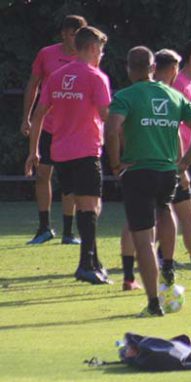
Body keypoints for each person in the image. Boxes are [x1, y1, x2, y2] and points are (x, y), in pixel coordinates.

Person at [106, 46, 191, 317]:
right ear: (153, 68)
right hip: (167, 172)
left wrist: (116, 163)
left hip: (138, 172)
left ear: (129, 69)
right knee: (165, 209)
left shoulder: (125, 96)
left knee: (143, 239)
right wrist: (185, 162)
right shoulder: (173, 95)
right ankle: (168, 264)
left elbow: (111, 129)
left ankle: (154, 302)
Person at [24, 26, 112, 284]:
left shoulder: (57, 76)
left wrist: (33, 151)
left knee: (88, 205)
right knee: (90, 207)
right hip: (86, 150)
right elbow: (107, 115)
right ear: (93, 48)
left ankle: (93, 260)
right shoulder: (96, 77)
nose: (102, 55)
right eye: (101, 50)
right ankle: (86, 265)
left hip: (61, 152)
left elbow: (38, 114)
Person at [22, 15, 87, 245]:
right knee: (42, 174)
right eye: (72, 33)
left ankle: (69, 233)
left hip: (72, 129)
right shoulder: (47, 54)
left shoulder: (87, 57)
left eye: (80, 34)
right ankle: (44, 228)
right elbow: (33, 85)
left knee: (69, 181)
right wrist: (26, 118)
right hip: (48, 126)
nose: (75, 38)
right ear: (63, 34)